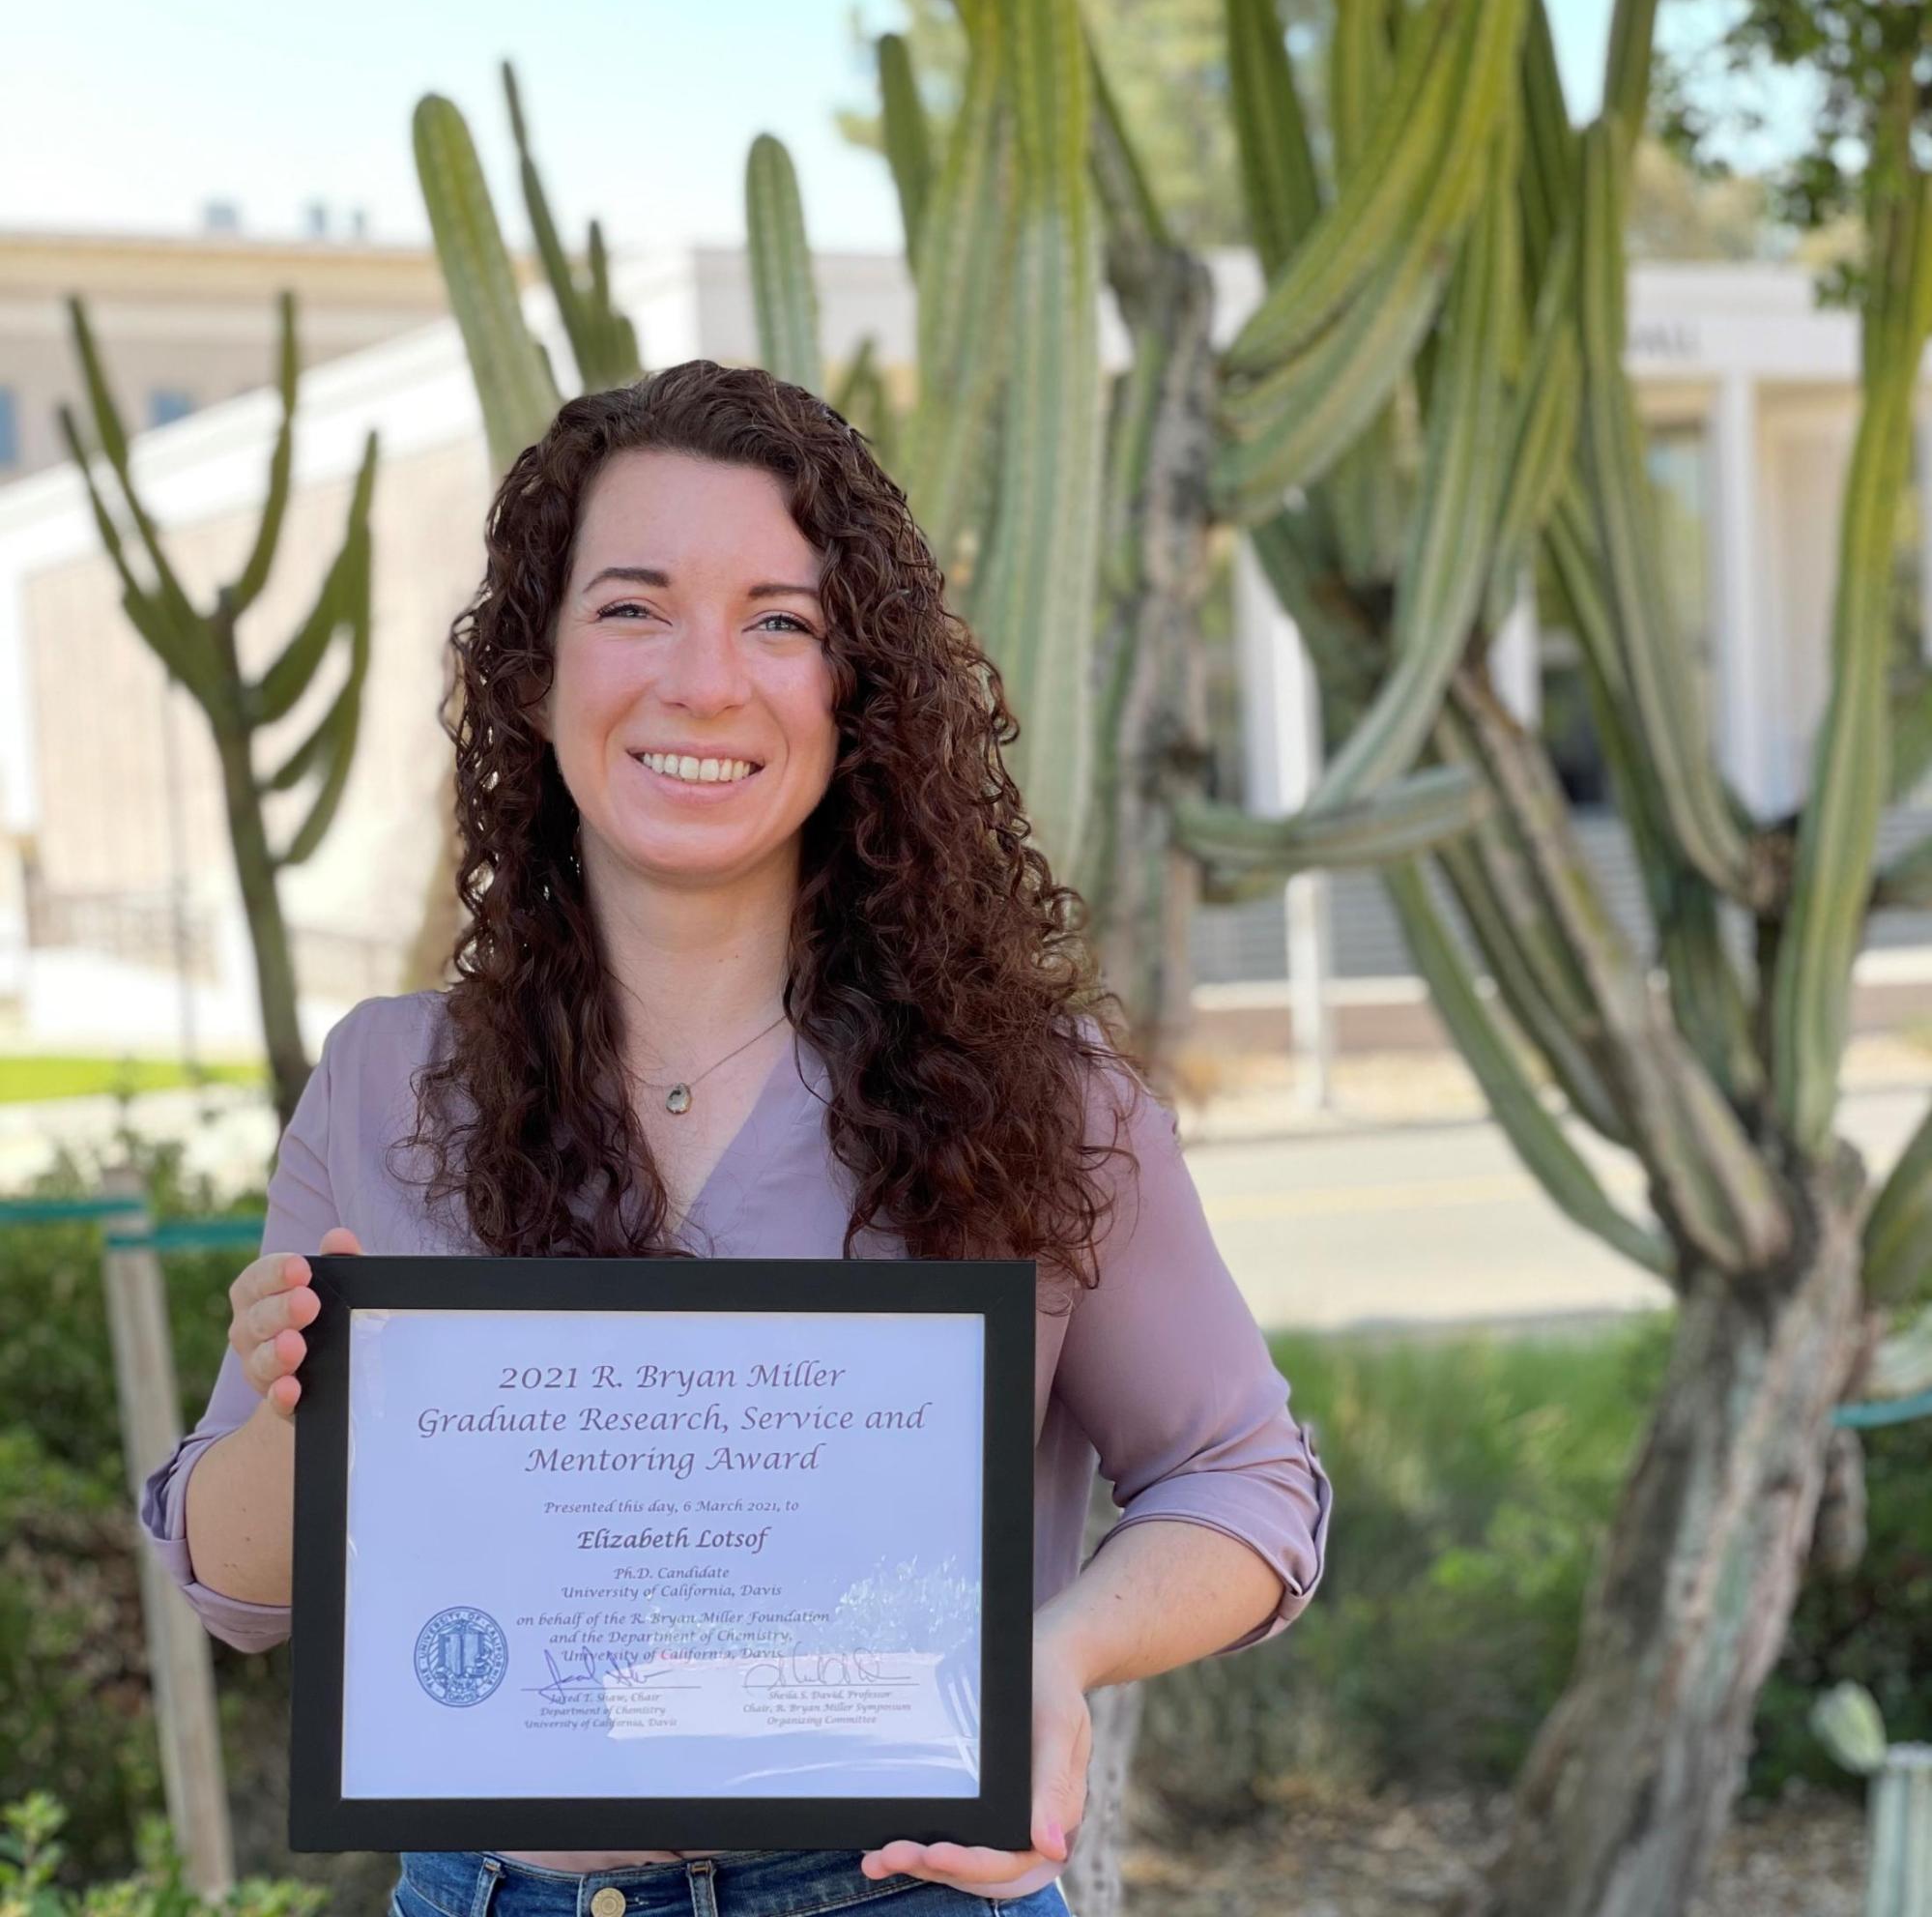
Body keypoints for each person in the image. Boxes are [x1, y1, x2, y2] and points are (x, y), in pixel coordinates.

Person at [138, 360, 1333, 1917]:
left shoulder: (1035, 1094)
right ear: (534, 674)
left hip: (899, 1888)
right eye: (634, 607)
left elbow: (1247, 1484)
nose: (706, 682)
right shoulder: (385, 1080)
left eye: (781, 622)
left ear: (857, 692)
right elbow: (236, 1590)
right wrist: (309, 1409)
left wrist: (1053, 1655)